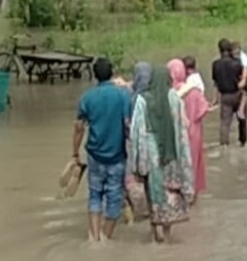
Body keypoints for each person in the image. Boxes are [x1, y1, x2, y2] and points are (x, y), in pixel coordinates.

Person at [129, 67, 194, 243]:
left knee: (154, 191)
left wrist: (136, 163)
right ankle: (167, 232)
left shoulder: (143, 100)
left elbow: (137, 132)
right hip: (171, 150)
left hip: (151, 152)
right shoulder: (175, 98)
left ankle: (154, 231)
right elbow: (182, 127)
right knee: (170, 192)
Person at [73, 57, 131, 241]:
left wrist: (74, 153)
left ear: (95, 76)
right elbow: (128, 124)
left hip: (94, 156)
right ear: (112, 73)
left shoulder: (87, 98)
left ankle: (95, 237)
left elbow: (79, 128)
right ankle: (106, 236)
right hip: (117, 155)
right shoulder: (123, 96)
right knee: (114, 197)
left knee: (95, 195)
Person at [168, 59, 212, 201]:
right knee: (193, 161)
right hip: (193, 132)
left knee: (176, 163)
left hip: (174, 133)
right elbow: (204, 109)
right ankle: (192, 194)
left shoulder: (168, 93)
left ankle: (177, 193)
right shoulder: (192, 90)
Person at [123, 62, 152, 221]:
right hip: (151, 146)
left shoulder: (131, 97)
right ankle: (150, 211)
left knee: (131, 178)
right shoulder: (158, 96)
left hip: (131, 144)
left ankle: (131, 210)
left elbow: (125, 121)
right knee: (149, 179)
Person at [211, 39, 246, 147]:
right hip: (238, 94)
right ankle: (242, 142)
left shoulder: (215, 64)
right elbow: (243, 80)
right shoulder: (237, 63)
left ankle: (224, 146)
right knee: (242, 119)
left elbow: (216, 83)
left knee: (225, 123)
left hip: (225, 96)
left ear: (219, 50)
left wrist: (215, 98)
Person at [231, 42, 247, 121]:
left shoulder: (243, 56)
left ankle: (241, 109)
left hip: (242, 73)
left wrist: (243, 80)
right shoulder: (229, 56)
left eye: (237, 53)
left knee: (245, 91)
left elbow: (245, 68)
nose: (236, 54)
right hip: (233, 74)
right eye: (234, 52)